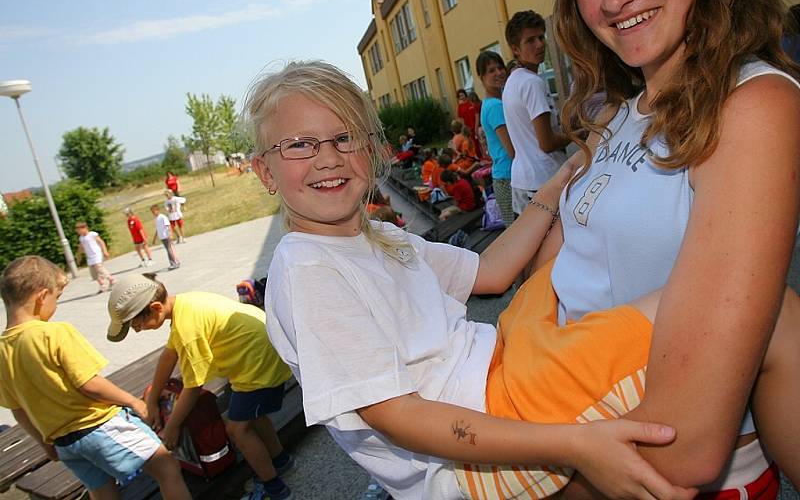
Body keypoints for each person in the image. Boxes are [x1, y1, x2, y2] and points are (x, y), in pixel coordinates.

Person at [246, 59, 707, 500]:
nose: (328, 158)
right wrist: (571, 444)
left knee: (565, 259)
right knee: (704, 303)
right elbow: (396, 415)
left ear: (370, 150)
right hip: (476, 431)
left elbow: (490, 272)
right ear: (265, 172)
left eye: (344, 138)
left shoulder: (378, 236)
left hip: (502, 358)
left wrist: (565, 178)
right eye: (300, 144)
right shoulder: (308, 269)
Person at [542, 0, 800, 495]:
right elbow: (557, 283)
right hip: (581, 435)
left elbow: (684, 447)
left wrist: (534, 472)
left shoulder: (750, 107)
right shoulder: (619, 112)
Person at [0, 256, 190, 500]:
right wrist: (134, 402)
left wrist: (46, 444)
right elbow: (90, 384)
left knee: (102, 491)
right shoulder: (53, 333)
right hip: (97, 426)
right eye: (56, 298)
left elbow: (18, 410)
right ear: (41, 297)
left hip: (64, 443)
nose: (55, 306)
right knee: (167, 469)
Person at [106, 273, 294, 500]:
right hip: (260, 353)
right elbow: (169, 355)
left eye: (136, 323)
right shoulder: (183, 305)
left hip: (258, 363)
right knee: (251, 415)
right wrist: (152, 397)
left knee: (236, 429)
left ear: (155, 307)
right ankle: (280, 460)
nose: (136, 330)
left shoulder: (187, 329)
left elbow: (194, 385)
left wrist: (172, 426)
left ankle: (275, 489)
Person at [502, 11, 569, 216]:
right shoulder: (532, 83)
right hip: (543, 180)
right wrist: (579, 133)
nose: (539, 44)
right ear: (516, 49)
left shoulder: (513, 81)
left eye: (541, 37)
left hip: (523, 180)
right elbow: (546, 143)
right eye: (530, 40)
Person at [476, 51, 514, 226]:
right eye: (491, 70)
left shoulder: (489, 103)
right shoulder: (496, 106)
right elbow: (512, 149)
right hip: (509, 176)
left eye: (500, 67)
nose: (499, 72)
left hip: (502, 175)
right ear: (482, 77)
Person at [75, 221, 115, 293]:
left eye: (79, 230)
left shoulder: (92, 234)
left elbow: (101, 242)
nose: (78, 232)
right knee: (94, 273)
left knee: (99, 268)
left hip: (97, 254)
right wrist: (79, 256)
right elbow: (81, 247)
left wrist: (105, 251)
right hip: (90, 257)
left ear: (84, 228)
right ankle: (102, 285)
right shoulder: (81, 238)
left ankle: (111, 280)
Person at [150, 205, 180, 270]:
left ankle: (173, 264)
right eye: (152, 212)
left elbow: (168, 226)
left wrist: (171, 234)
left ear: (157, 210)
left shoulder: (163, 217)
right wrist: (154, 238)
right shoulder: (156, 219)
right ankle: (176, 262)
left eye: (154, 211)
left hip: (166, 236)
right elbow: (157, 229)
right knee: (169, 249)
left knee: (169, 249)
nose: (153, 213)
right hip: (162, 237)